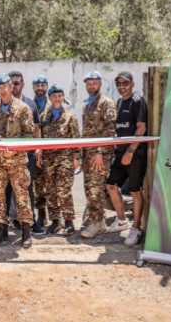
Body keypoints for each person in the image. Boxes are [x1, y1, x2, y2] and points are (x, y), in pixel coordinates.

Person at [0, 74, 35, 248]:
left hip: (17, 161)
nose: (2, 90)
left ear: (11, 87)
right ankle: (1, 229)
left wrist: (14, 150)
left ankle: (26, 231)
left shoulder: (23, 108)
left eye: (5, 86)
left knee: (22, 195)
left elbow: (29, 136)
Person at [106, 71, 148, 246]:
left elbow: (141, 128)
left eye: (125, 83)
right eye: (118, 84)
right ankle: (122, 220)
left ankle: (136, 228)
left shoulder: (137, 101)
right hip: (120, 153)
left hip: (134, 154)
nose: (121, 86)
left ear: (132, 84)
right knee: (111, 185)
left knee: (135, 191)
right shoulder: (119, 102)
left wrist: (130, 151)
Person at [78, 71, 117, 239]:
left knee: (96, 190)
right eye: (89, 83)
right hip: (88, 155)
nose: (91, 85)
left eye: (94, 82)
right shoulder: (87, 105)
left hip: (99, 156)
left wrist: (100, 151)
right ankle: (95, 219)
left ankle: (99, 224)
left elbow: (110, 129)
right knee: (89, 189)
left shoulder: (107, 103)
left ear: (100, 84)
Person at [38, 84, 81, 235]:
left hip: (65, 160)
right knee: (50, 191)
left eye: (60, 95)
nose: (57, 98)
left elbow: (76, 139)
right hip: (48, 160)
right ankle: (56, 221)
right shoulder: (44, 116)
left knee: (63, 190)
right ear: (49, 98)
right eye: (54, 96)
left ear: (63, 98)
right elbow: (40, 137)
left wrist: (77, 158)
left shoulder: (70, 117)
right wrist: (40, 155)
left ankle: (69, 221)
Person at [8, 70, 46, 236]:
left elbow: (37, 128)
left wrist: (39, 149)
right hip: (7, 156)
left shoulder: (30, 104)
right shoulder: (3, 104)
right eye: (11, 83)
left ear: (22, 85)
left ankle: (31, 223)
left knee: (28, 188)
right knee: (7, 188)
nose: (14, 86)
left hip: (27, 155)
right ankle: (5, 224)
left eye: (17, 83)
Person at [32, 74, 51, 228]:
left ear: (46, 87)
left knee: (53, 184)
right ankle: (41, 214)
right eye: (37, 85)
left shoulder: (55, 104)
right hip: (36, 152)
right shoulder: (30, 105)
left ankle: (56, 217)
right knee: (38, 185)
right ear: (33, 87)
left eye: (42, 85)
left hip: (52, 153)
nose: (40, 88)